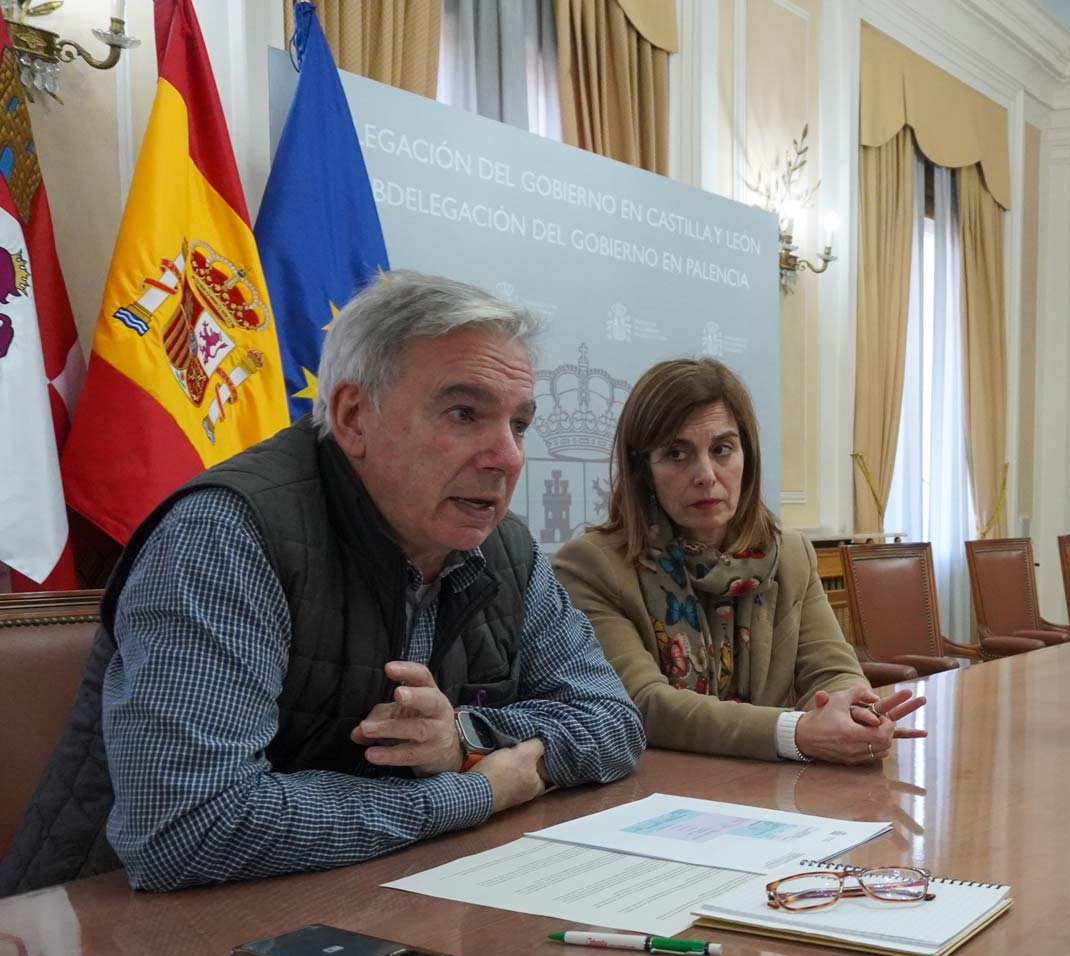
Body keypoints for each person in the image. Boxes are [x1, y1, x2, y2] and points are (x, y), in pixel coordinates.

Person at [0, 271, 645, 896]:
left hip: (361, 901)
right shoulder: (227, 534)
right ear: (353, 417)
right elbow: (187, 826)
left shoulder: (505, 548)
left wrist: (465, 741)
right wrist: (478, 789)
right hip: (106, 948)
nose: (507, 456)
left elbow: (612, 721)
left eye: (519, 424)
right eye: (464, 413)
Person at [553, 357, 923, 764]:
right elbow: (644, 705)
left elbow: (831, 670)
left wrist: (853, 713)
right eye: (677, 454)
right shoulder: (591, 567)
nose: (706, 474)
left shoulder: (790, 554)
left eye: (722, 449)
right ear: (644, 471)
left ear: (747, 458)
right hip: (657, 794)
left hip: (774, 790)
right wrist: (795, 732)